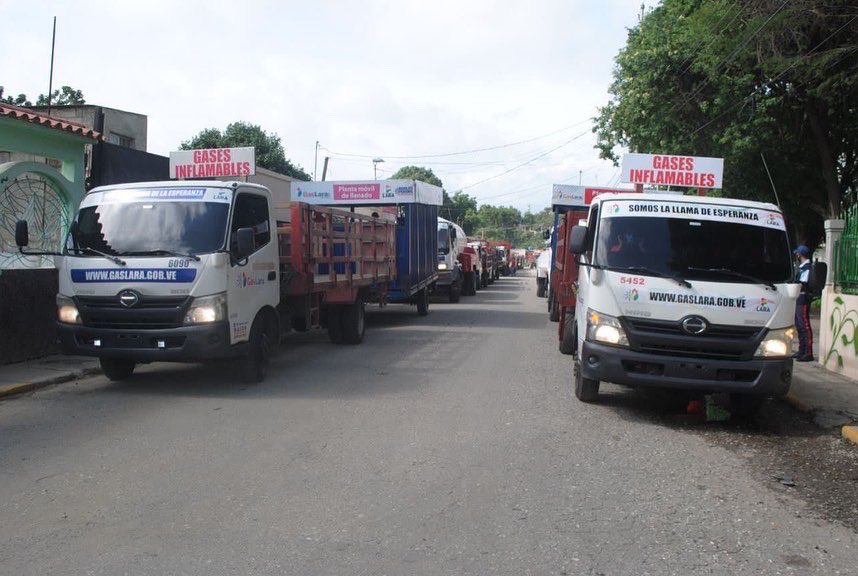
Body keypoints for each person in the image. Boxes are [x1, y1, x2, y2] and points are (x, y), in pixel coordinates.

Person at [793, 245, 814, 362]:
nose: (796, 255)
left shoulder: (807, 268)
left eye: (797, 254)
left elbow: (802, 284)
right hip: (799, 298)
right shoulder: (803, 267)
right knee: (799, 325)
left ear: (800, 255)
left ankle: (808, 352)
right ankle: (802, 350)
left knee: (804, 325)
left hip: (803, 298)